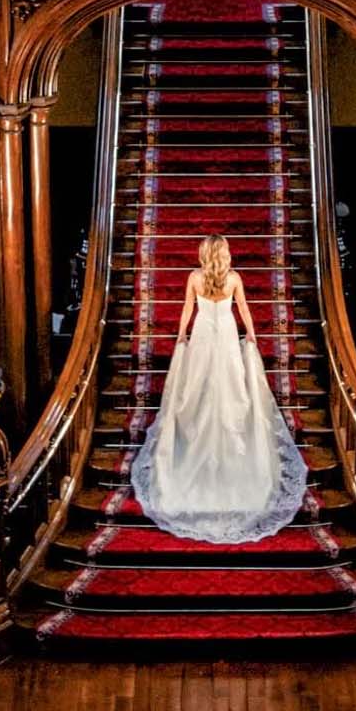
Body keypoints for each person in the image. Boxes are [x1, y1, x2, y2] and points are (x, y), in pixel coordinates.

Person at [131, 233, 309, 543]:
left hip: (203, 334)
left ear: (203, 253)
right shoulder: (234, 278)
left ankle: (195, 447)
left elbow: (188, 309)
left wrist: (182, 335)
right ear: (224, 253)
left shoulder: (195, 277)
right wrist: (251, 336)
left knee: (199, 390)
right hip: (225, 334)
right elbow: (243, 310)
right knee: (230, 390)